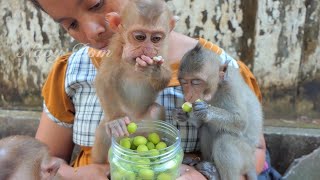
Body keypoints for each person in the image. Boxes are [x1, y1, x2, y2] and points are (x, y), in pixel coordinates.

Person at [29, 0, 274, 179]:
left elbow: (252, 150)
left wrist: (208, 175)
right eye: (71, 24)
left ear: (169, 27)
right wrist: (75, 174)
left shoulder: (219, 70)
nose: (91, 31)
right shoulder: (72, 70)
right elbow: (42, 162)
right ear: (119, 24)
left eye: (96, 4)